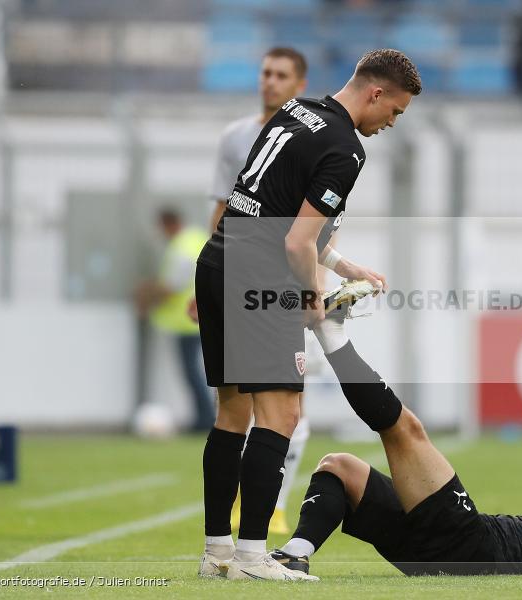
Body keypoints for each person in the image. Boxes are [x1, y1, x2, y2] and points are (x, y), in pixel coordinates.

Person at [194, 49, 422, 582]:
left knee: (232, 413)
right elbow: (297, 241)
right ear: (376, 93)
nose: (391, 124)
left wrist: (341, 262)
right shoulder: (347, 149)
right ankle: (253, 557)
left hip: (219, 259)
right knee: (282, 416)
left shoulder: (297, 111)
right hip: (260, 272)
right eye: (396, 112)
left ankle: (218, 554)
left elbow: (268, 207)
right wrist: (310, 296)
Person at [270, 302, 522, 576]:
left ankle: (331, 335)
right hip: (440, 550)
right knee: (340, 467)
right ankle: (296, 556)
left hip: (467, 543)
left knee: (404, 431)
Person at [206, 46, 312, 537]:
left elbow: (314, 226)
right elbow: (224, 208)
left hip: (283, 279)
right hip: (235, 272)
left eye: (280, 75)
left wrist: (317, 284)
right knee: (236, 407)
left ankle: (274, 504)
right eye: (265, 73)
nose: (269, 81)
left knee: (290, 405)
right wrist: (206, 275)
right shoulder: (236, 137)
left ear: (299, 84)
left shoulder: (307, 139)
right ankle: (232, 534)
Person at [133, 209, 212, 431]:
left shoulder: (182, 247)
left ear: (168, 224)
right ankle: (203, 418)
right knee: (196, 372)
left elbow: (172, 286)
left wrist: (146, 294)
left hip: (188, 321)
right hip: (201, 317)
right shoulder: (196, 238)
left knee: (192, 373)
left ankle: (204, 420)